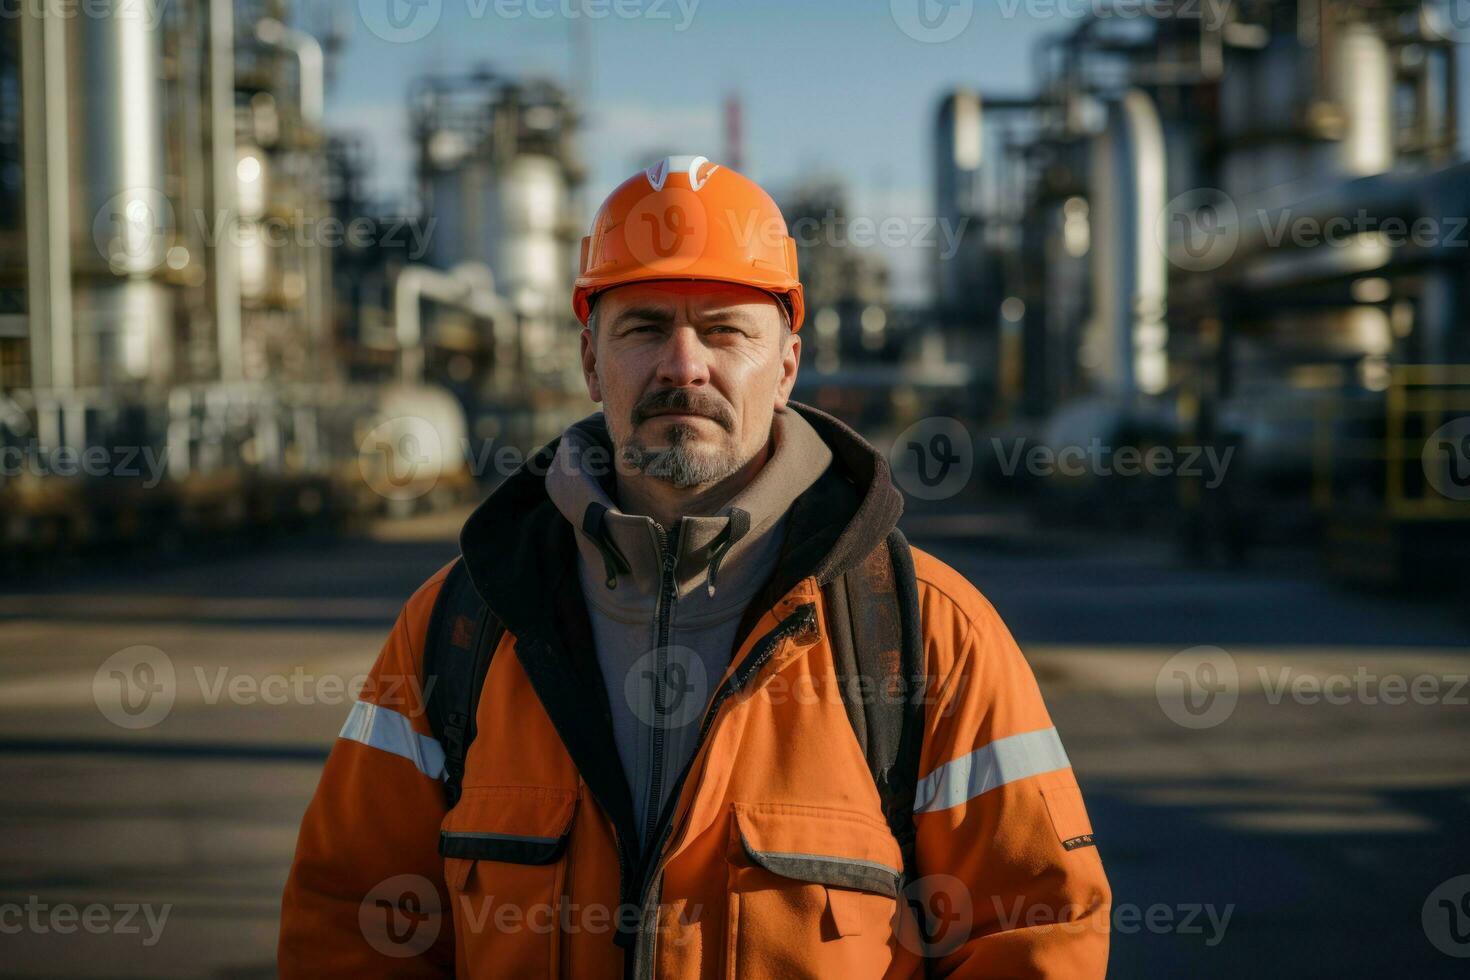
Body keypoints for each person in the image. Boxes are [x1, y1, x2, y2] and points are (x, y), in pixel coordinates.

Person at [279, 155, 1110, 978]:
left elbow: (1036, 930)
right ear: (589, 362)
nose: (684, 365)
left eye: (724, 330)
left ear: (785, 364)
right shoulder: (459, 625)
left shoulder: (925, 633)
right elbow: (353, 919)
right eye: (644, 328)